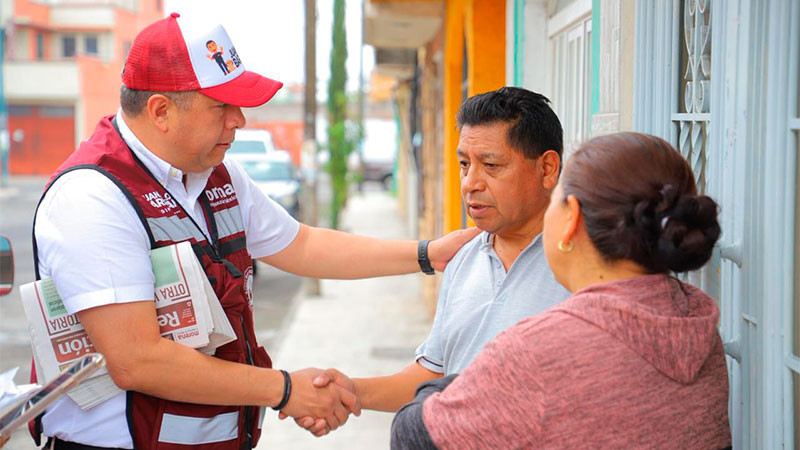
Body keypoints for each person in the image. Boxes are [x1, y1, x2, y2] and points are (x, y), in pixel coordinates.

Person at [30, 14, 476, 450]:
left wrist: (428, 254)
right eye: (221, 106)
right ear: (161, 111)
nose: (239, 119)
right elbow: (137, 360)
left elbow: (302, 244)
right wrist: (285, 389)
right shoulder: (92, 196)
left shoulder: (215, 175)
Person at [390, 132, 732, 449]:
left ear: (571, 219)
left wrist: (453, 385)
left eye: (555, 199)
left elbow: (413, 436)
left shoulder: (538, 351)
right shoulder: (698, 327)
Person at [289, 87, 571, 436]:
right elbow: (435, 374)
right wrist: (351, 391)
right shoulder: (462, 259)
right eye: (464, 164)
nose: (470, 183)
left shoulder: (582, 265)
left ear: (547, 168)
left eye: (491, 166)